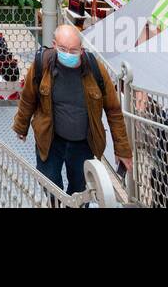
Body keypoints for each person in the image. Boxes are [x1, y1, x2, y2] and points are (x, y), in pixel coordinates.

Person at [12, 24, 131, 196]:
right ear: (54, 45)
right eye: (63, 49)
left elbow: (113, 110)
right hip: (50, 139)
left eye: (74, 50)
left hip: (83, 143)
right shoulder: (42, 65)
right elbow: (28, 97)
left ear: (81, 50)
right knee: (51, 185)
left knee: (80, 191)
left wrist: (122, 149)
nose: (68, 54)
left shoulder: (95, 70)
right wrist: (21, 126)